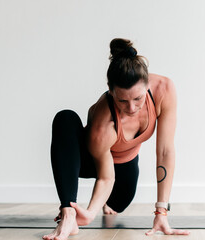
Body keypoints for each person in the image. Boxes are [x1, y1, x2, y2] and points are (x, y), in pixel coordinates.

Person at [43, 38, 190, 240]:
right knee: (65, 118)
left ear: (147, 84)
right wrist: (88, 214)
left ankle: (103, 202)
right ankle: (68, 213)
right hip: (86, 159)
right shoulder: (104, 124)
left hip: (124, 162)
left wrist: (161, 211)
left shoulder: (164, 90)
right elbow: (106, 177)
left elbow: (165, 151)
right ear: (111, 91)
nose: (131, 108)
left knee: (119, 203)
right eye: (123, 101)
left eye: (138, 99)